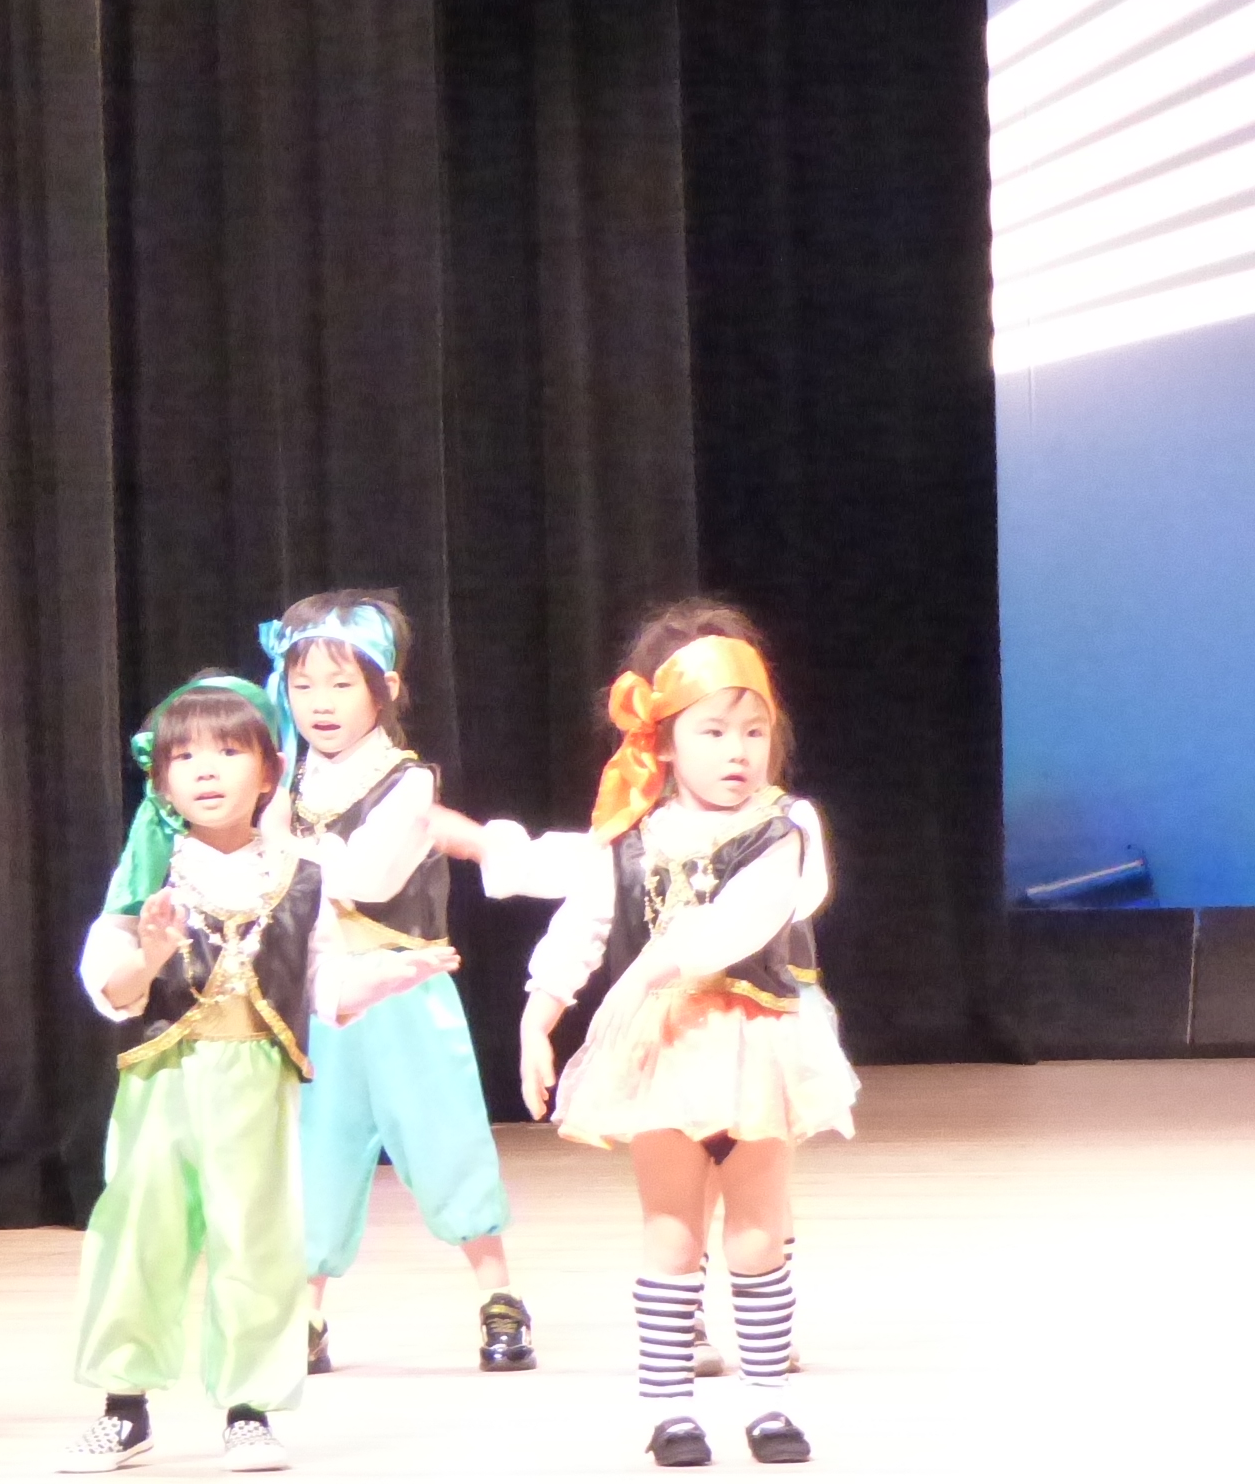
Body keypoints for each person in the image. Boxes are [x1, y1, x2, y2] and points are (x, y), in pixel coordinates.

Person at [440, 603, 855, 1467]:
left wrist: (643, 976)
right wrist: (539, 1013)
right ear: (664, 742)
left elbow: (741, 923)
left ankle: (768, 1402)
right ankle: (668, 1408)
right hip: (663, 1054)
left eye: (754, 732)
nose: (738, 752)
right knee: (671, 1231)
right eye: (714, 732)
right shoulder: (628, 838)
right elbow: (584, 925)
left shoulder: (782, 829)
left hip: (755, 1046)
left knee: (758, 1232)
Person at [60, 674, 458, 1474]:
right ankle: (123, 1408)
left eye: (228, 750)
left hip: (256, 1087)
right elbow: (112, 992)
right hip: (162, 1083)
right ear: (162, 781)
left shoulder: (303, 874)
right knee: (138, 1236)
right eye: (185, 756)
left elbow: (321, 986)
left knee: (258, 1241)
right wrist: (151, 954)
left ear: (270, 770)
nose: (206, 769)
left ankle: (250, 1409)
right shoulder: (148, 876)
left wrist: (390, 975)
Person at [256, 592, 533, 1377]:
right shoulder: (282, 781)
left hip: (404, 988)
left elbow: (365, 878)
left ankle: (498, 1295)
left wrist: (276, 847)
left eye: (341, 684)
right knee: (315, 1148)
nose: (320, 703)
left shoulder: (406, 785)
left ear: (387, 688)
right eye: (303, 685)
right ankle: (306, 1313)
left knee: (444, 1138)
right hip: (317, 994)